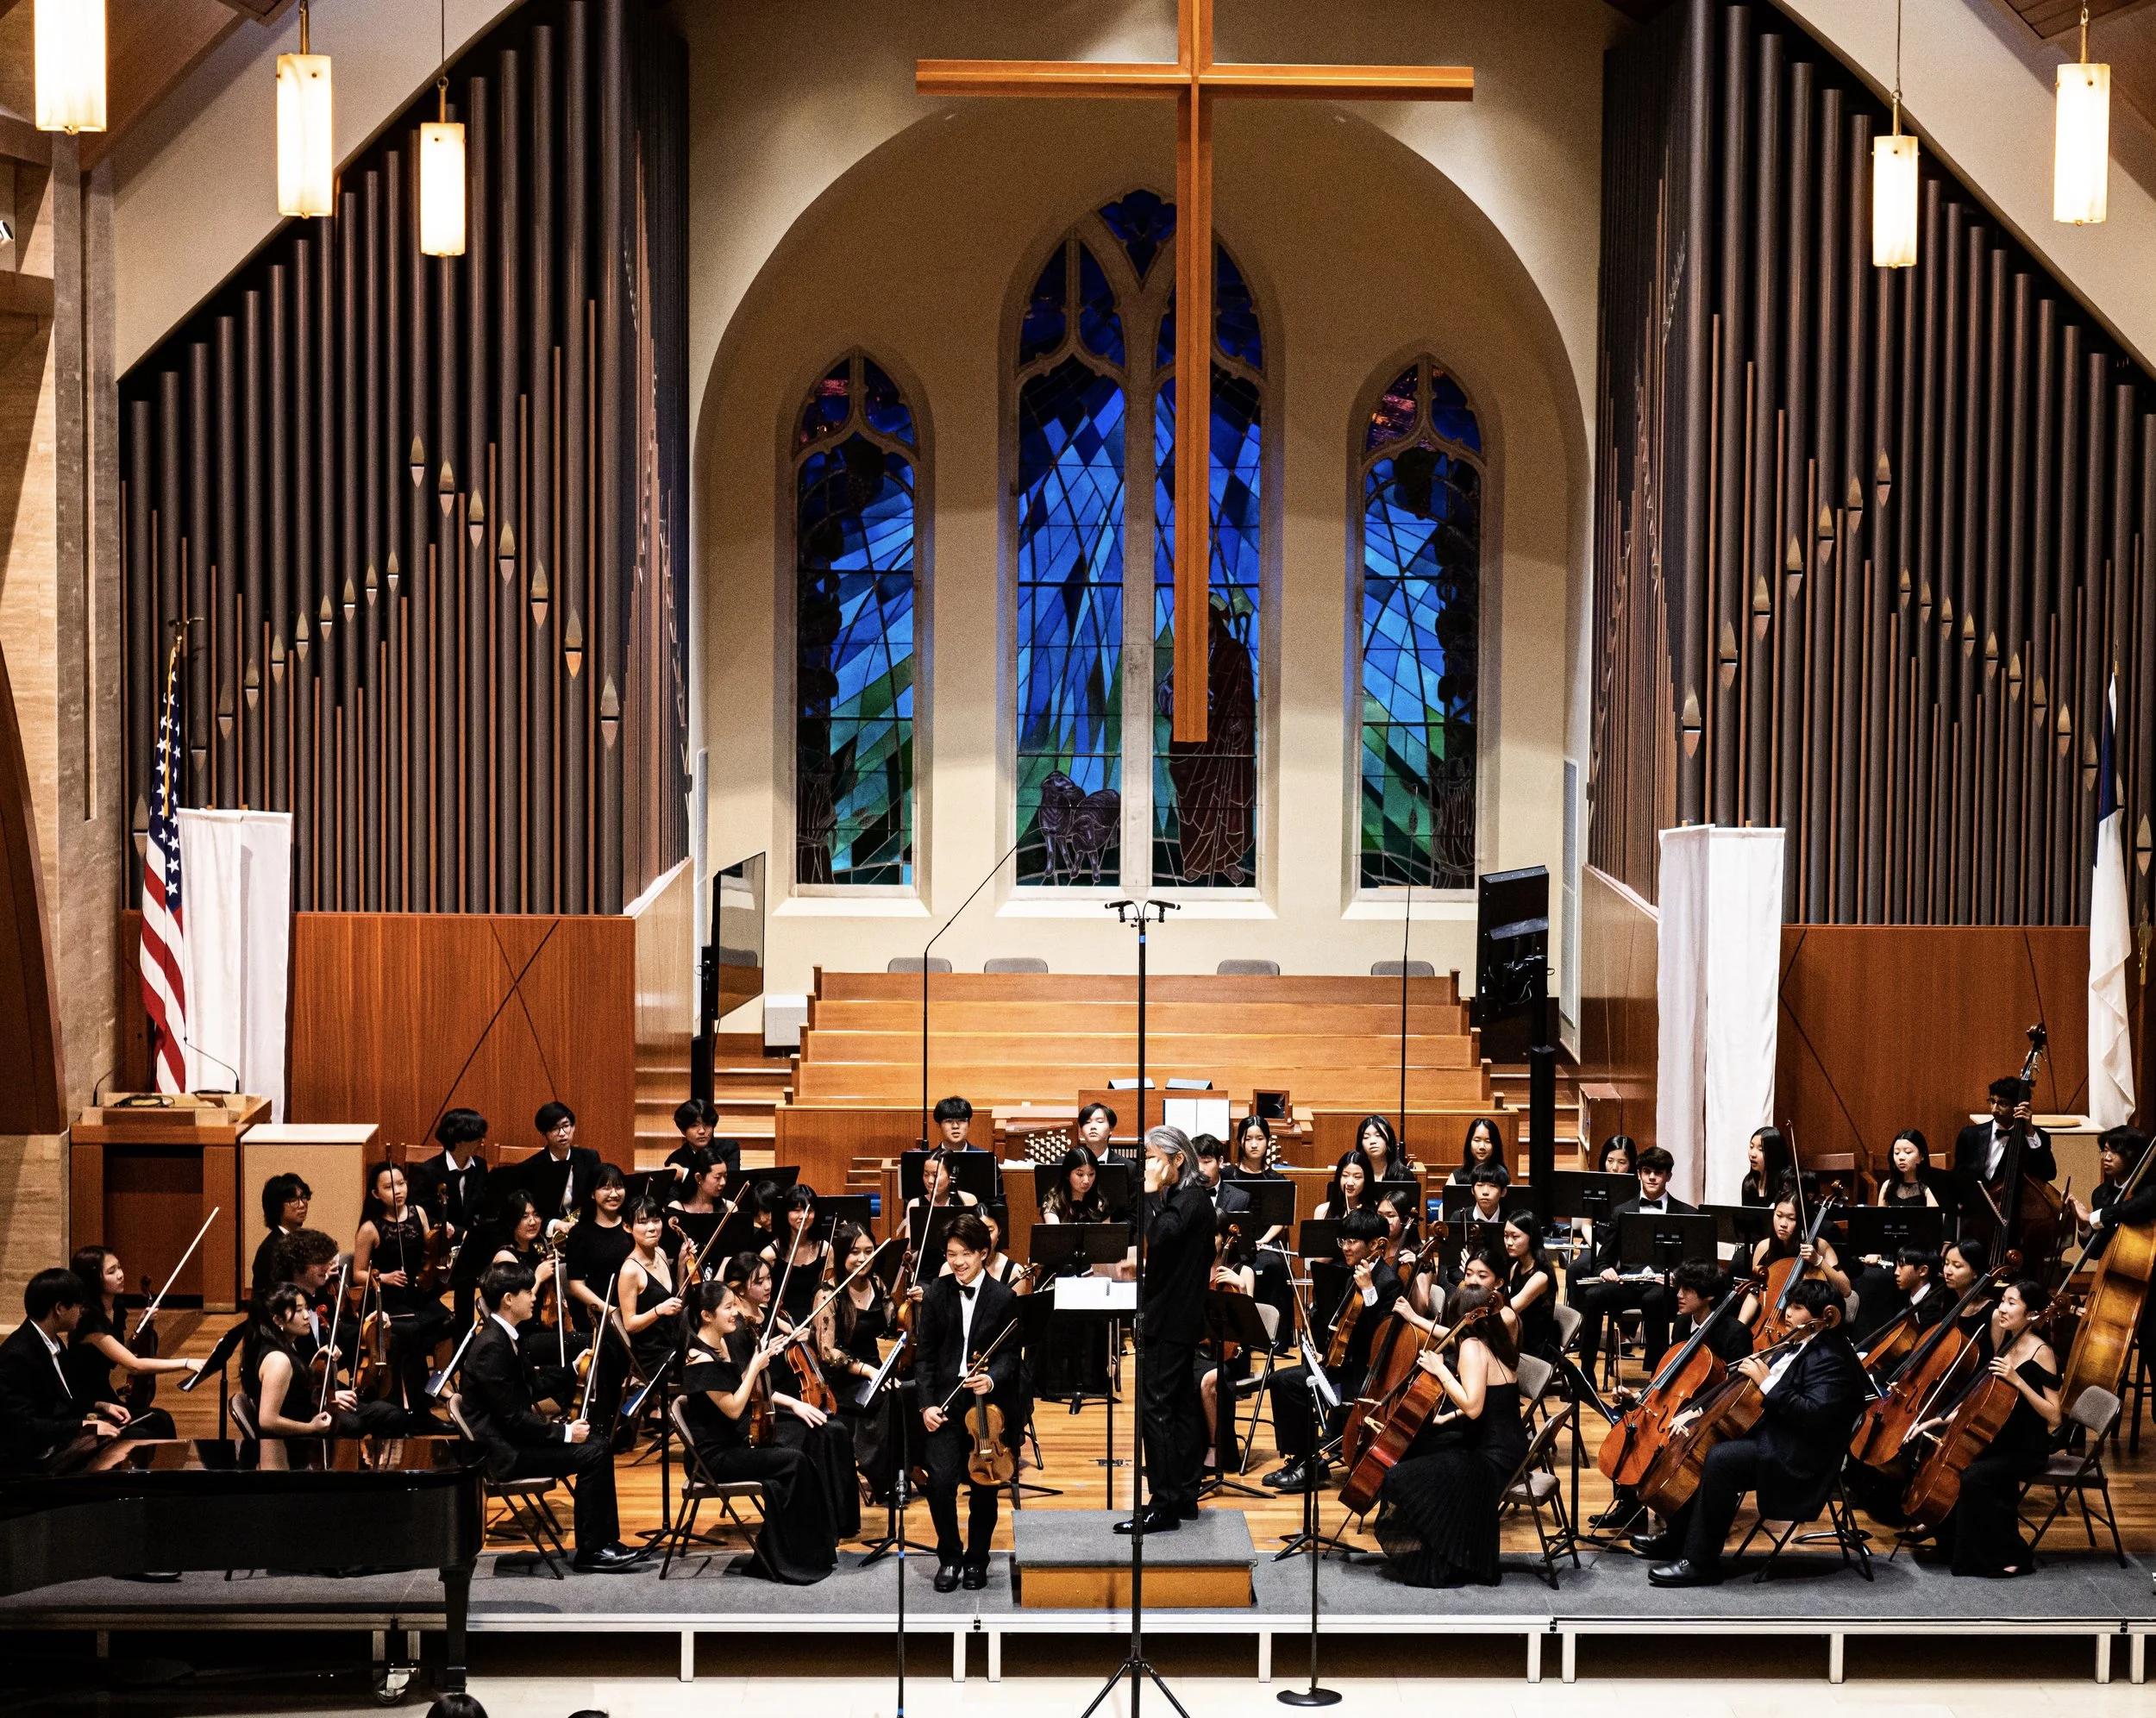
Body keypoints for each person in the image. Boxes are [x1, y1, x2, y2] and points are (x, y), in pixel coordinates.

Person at [1639, 1278, 1867, 1586]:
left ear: (1825, 1316)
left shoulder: (1833, 1358)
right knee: (1706, 1444)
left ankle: (1699, 1562)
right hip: (1779, 1435)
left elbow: (1812, 1415)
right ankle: (1679, 1538)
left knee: (1721, 1458)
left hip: (1800, 1454)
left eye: (1797, 1307)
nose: (1787, 1312)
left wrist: (1766, 1380)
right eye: (1790, 1304)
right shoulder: (1800, 1342)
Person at [460, 1261, 643, 1571]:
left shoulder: (504, 1336)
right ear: (508, 1299)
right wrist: (566, 1433)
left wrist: (573, 1368)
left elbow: (534, 1386)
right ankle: (592, 1551)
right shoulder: (491, 1346)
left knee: (598, 1444)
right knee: (594, 1452)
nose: (534, 1298)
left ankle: (604, 1542)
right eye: (527, 1292)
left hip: (513, 1440)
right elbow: (512, 1419)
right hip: (504, 1453)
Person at [677, 1279, 840, 1583]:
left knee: (793, 1467)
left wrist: (765, 1357)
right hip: (714, 1458)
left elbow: (745, 1387)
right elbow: (735, 1408)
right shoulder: (697, 1358)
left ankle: (796, 1554)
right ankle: (794, 1559)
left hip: (734, 1445)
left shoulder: (721, 1344)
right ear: (706, 1315)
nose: (736, 1313)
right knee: (795, 1461)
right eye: (728, 1307)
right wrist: (754, 1366)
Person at [1371, 1278, 1530, 1588]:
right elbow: (1493, 1404)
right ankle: (1441, 1543)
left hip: (1490, 1458)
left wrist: (1440, 1370)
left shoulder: (1472, 1347)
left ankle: (1438, 1554)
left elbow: (1473, 1407)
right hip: (1507, 1444)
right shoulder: (1497, 1340)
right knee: (1422, 1444)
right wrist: (1446, 1420)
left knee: (1399, 1476)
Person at [1918, 1279, 2064, 1577]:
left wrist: (2019, 1381)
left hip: (2027, 1446)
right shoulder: (2005, 1342)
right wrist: (1942, 1419)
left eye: (2012, 1303)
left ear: (2032, 1314)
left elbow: (2055, 1416)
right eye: (2002, 1301)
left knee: (1976, 1477)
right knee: (1954, 1466)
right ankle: (1951, 1545)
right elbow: (1983, 1398)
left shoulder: (2042, 1353)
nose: (2003, 1308)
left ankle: (2012, 1556)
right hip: (1998, 1436)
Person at [915, 1211, 1022, 1591]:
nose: (957, 1262)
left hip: (986, 1409)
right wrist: (926, 1404)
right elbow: (924, 1357)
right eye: (950, 1254)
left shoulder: (1003, 1297)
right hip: (945, 1403)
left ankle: (977, 1559)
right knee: (940, 1483)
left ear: (982, 1253)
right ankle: (950, 1556)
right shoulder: (936, 1294)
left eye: (964, 1254)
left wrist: (991, 1378)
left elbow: (1011, 1355)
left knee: (984, 1484)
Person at [1119, 1125, 1216, 1533]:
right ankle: (1183, 1496)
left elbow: (1158, 1240)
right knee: (1177, 1408)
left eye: (1155, 1158)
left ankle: (1162, 1503)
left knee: (1156, 1409)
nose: (1149, 1166)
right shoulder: (1185, 1198)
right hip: (1179, 1318)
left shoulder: (1188, 1202)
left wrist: (1146, 1194)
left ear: (1177, 1160)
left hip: (1171, 1319)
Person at [1263, 1206, 1401, 1491]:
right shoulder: (1355, 1274)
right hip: (1343, 1365)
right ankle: (1303, 1459)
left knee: (1292, 1385)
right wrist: (1327, 1354)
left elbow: (1383, 1337)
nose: (1346, 1248)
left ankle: (1309, 1466)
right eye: (1343, 1241)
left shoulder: (1388, 1282)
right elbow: (1346, 1328)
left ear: (1376, 1244)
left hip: (1365, 1377)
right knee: (1280, 1380)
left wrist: (1369, 1292)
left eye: (1353, 1241)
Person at [1568, 1144, 1689, 1376]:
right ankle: (1586, 1371)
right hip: (1630, 1284)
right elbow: (1604, 1259)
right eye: (1647, 1172)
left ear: (1668, 1176)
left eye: (1659, 1172)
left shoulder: (1685, 1213)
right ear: (1639, 1174)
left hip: (1664, 1286)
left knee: (1656, 1299)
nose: (1652, 1177)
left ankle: (1657, 1374)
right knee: (1593, 1296)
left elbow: (1693, 1262)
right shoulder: (1622, 1211)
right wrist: (1605, 1270)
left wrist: (1677, 1278)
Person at [0, 1269, 131, 1471]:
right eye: (78, 1305)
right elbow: (24, 1426)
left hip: (59, 1440)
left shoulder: (54, 1342)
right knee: (130, 1439)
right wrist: (83, 1426)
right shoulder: (17, 1355)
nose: (82, 1311)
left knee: (152, 1422)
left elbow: (63, 1398)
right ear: (60, 1308)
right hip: (37, 1459)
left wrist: (100, 1406)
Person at [352, 1160, 454, 1408]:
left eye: (401, 1184)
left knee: (449, 1322)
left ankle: (437, 1383)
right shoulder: (369, 1229)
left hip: (417, 1293)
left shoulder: (418, 1213)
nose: (398, 1191)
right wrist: (383, 1278)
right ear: (376, 1194)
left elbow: (429, 1251)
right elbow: (357, 1274)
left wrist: (444, 1236)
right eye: (389, 1187)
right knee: (415, 1329)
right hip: (386, 1299)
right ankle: (413, 1392)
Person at [64, 1245, 198, 1431]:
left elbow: (119, 1352)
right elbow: (133, 1365)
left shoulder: (115, 1308)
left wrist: (139, 1328)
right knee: (154, 1424)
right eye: (111, 1271)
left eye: (119, 1267)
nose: (120, 1274)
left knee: (160, 1420)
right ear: (93, 1280)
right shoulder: (88, 1320)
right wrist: (186, 1363)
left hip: (104, 1393)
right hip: (86, 1404)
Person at [1952, 1076, 2059, 1242]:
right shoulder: (1969, 1135)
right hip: (1974, 1224)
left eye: (2003, 1103)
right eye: (1992, 1101)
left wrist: (2029, 1131)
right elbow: (1957, 1182)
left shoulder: (2038, 1137)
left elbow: (2048, 1173)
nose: (1994, 1109)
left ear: (2019, 1107)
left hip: (2016, 1223)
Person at [411, 1110, 492, 1325]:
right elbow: (420, 1213)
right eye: (477, 1137)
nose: (482, 1142)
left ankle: (464, 1334)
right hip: (439, 1244)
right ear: (458, 1140)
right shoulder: (427, 1172)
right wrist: (444, 1227)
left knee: (469, 1276)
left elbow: (484, 1205)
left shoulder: (480, 1167)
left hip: (469, 1243)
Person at [1739, 1190, 1853, 1324]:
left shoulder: (1820, 1246)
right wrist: (1740, 1326)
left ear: (1801, 1221)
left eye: (1791, 1218)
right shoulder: (1764, 1248)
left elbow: (1846, 1290)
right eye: (1779, 1215)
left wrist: (1818, 1261)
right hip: (1768, 1321)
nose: (1783, 1223)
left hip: (1806, 1326)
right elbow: (1756, 1294)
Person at [2071, 1125, 2154, 1258]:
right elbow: (2096, 1252)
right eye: (2105, 1151)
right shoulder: (2101, 1193)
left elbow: (2128, 1209)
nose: (2107, 1158)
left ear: (2133, 1154)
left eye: (2114, 1152)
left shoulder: (2151, 1188)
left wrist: (2090, 1217)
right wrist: (2083, 1224)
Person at [517, 1101, 605, 1226]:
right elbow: (528, 1212)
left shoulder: (590, 1158)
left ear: (573, 1127)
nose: (562, 1133)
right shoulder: (530, 1168)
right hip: (548, 1232)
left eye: (566, 1126)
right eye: (554, 1128)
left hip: (585, 1227)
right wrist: (553, 1225)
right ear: (544, 1134)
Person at [1498, 1213, 1558, 1360]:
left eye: (1515, 1236)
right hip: (1519, 1336)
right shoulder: (1516, 1267)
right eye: (1506, 1236)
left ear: (1531, 1237)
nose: (1508, 1242)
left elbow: (1511, 1309)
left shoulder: (1540, 1277)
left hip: (1534, 1348)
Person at [251, 1173, 314, 1306]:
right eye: (293, 1200)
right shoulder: (270, 1249)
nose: (302, 1205)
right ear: (277, 1206)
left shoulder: (302, 1239)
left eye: (304, 1197)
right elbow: (272, 1299)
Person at [665, 1097, 743, 1182]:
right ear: (683, 1131)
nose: (702, 1131)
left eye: (707, 1125)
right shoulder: (675, 1160)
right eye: (694, 1125)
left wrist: (685, 1174)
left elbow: (732, 1183)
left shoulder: (728, 1148)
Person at [1039, 1142, 1108, 1226]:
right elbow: (1056, 1235)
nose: (1086, 1180)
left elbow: (1106, 1235)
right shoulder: (1052, 1202)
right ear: (1067, 1174)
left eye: (1091, 1174)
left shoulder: (1100, 1203)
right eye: (1080, 1174)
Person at [1878, 1130, 1944, 1208]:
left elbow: (1933, 1219)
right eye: (1896, 1153)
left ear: (1922, 1156)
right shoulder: (1887, 1186)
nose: (1901, 1157)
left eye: (1908, 1152)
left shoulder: (1932, 1187)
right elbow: (1880, 1219)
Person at [1194, 1133, 1250, 1220]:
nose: (1200, 1169)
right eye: (1195, 1163)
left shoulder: (1240, 1198)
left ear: (1220, 1161)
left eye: (1206, 1162)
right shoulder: (1179, 1195)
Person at [1357, 1113, 1418, 1193]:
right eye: (1366, 1137)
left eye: (1378, 1135)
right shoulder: (1355, 1175)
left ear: (1389, 1140)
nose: (1372, 1141)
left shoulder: (1404, 1176)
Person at [1313, 1148, 1379, 1220]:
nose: (1350, 1183)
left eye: (1357, 1177)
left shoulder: (1378, 1211)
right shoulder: (1322, 1211)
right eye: (1345, 1176)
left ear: (1367, 1180)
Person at [1738, 1126, 1794, 1207]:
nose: (1753, 1154)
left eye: (1761, 1150)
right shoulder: (1749, 1182)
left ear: (1774, 1153)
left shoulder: (1787, 1182)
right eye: (1751, 1147)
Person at [1449, 1118, 1507, 1185]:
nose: (1482, 1146)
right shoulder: (1456, 1177)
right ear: (1469, 1142)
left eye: (1488, 1141)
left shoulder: (1502, 1176)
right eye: (1477, 1140)